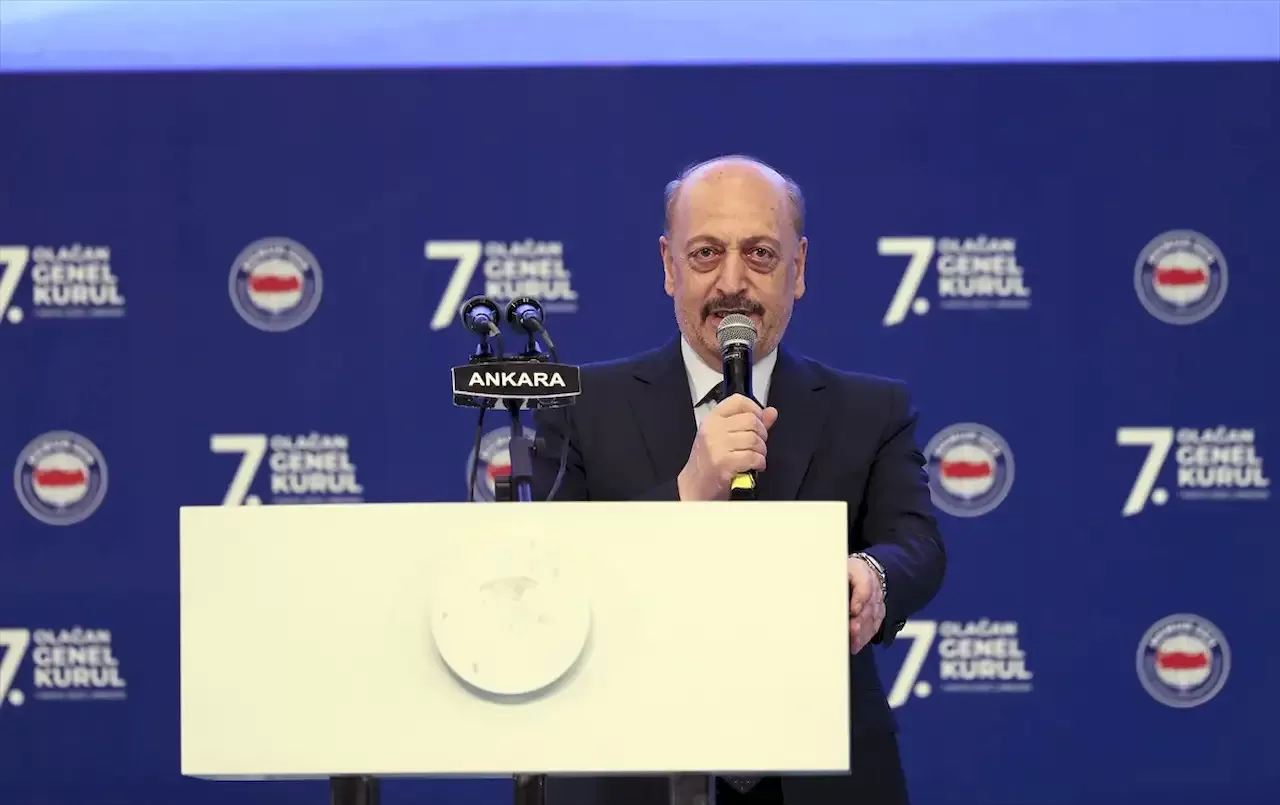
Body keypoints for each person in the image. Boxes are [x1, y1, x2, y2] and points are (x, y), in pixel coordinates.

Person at [530, 155, 947, 805]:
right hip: (630, 773)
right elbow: (552, 577)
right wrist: (688, 491)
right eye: (705, 254)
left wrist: (873, 575)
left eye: (759, 254)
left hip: (825, 777)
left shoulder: (871, 409)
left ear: (797, 268)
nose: (732, 283)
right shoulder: (580, 406)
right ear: (669, 266)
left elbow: (917, 543)